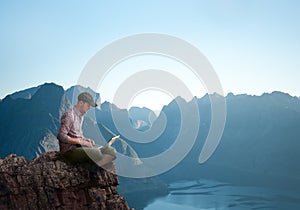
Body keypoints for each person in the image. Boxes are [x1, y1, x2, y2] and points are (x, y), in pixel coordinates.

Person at [57, 92, 117, 167]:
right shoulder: (69, 116)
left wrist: (85, 140)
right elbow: (61, 135)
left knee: (112, 151)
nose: (89, 108)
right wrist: (81, 142)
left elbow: (77, 135)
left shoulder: (81, 116)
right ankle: (93, 170)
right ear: (81, 103)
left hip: (79, 147)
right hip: (69, 150)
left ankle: (96, 167)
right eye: (88, 105)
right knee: (97, 153)